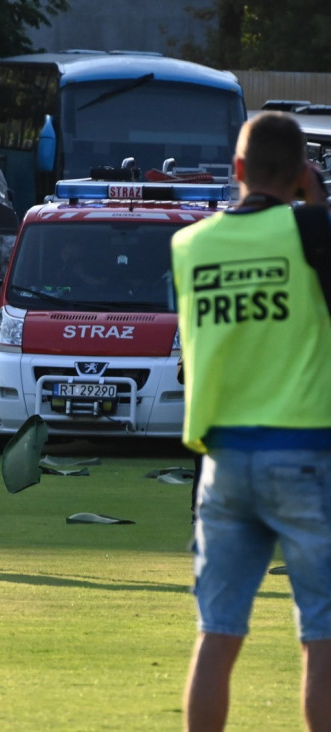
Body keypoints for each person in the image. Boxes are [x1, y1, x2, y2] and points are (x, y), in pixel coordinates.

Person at [171, 112, 331, 731]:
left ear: (235, 171)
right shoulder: (313, 232)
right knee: (321, 636)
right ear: (300, 177)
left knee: (217, 635)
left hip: (223, 461)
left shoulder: (189, 246)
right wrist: (313, 207)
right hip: (305, 451)